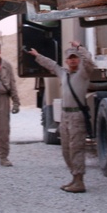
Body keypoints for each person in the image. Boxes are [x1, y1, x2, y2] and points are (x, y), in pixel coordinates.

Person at [27, 40, 94, 193]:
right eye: (70, 58)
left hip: (77, 115)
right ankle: (74, 177)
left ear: (78, 59)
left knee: (76, 148)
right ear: (66, 60)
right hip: (65, 116)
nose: (72, 60)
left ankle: (79, 181)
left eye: (75, 57)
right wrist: (37, 55)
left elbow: (89, 61)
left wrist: (80, 48)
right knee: (66, 149)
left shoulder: (83, 73)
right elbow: (51, 65)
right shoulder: (63, 73)